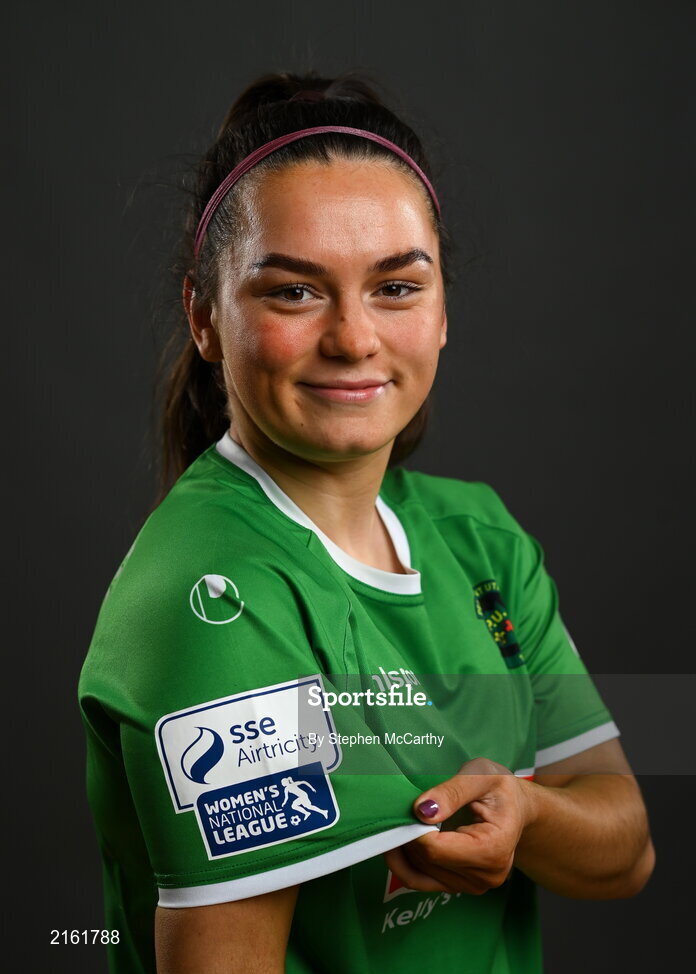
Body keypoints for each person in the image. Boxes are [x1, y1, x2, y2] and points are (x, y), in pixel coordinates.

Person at [78, 71, 655, 974]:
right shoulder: (219, 601)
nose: (354, 337)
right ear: (204, 317)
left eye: (395, 286)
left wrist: (529, 812)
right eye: (295, 293)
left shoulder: (479, 539)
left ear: (442, 310)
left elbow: (625, 849)